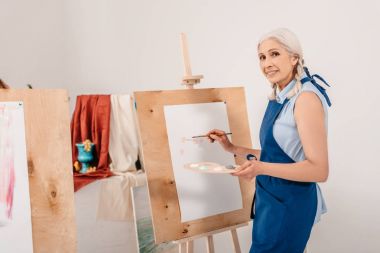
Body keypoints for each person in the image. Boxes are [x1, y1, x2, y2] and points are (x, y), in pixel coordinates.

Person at [207, 28, 331, 253]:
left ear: (294, 58)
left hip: (289, 203)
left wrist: (260, 168)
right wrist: (232, 147)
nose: (267, 63)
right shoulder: (280, 96)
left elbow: (319, 170)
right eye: (262, 57)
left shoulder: (305, 99)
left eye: (274, 54)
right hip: (272, 200)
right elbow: (279, 156)